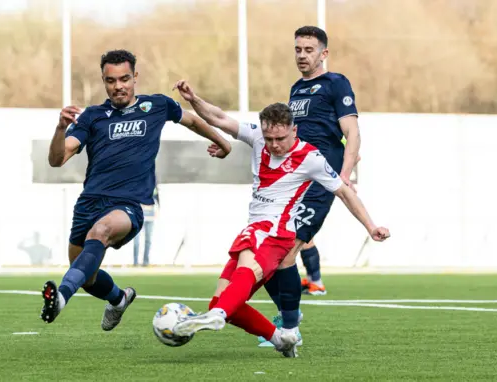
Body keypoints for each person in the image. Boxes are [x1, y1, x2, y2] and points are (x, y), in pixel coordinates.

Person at [171, 80, 389, 358]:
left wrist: (371, 227)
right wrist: (194, 99)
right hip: (254, 228)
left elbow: (345, 192)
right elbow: (219, 118)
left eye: (280, 139)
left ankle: (217, 315)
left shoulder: (311, 158)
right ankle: (280, 338)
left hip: (276, 233)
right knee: (224, 299)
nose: (273, 145)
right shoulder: (258, 138)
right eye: (269, 138)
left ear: (294, 130)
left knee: (236, 286)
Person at [40, 50, 232, 330]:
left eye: (124, 79)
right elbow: (57, 159)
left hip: (128, 205)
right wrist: (60, 129)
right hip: (88, 203)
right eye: (111, 80)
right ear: (104, 81)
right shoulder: (93, 116)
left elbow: (192, 120)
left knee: (101, 233)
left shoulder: (157, 106)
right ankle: (119, 298)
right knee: (86, 275)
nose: (118, 86)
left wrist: (224, 143)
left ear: (135, 78)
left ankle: (61, 297)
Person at [258, 25, 364, 348]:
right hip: (292, 182)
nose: (302, 55)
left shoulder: (336, 84)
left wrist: (343, 176)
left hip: (320, 180)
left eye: (309, 50)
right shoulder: (295, 90)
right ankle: (289, 315)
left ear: (323, 53)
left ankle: (290, 327)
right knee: (264, 252)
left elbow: (353, 134)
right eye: (298, 50)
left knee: (288, 251)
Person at [133, 184, 159, 267]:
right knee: (136, 241)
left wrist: (157, 212)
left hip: (150, 217)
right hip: (139, 218)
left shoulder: (154, 187)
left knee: (148, 241)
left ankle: (146, 261)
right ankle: (135, 262)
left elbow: (157, 201)